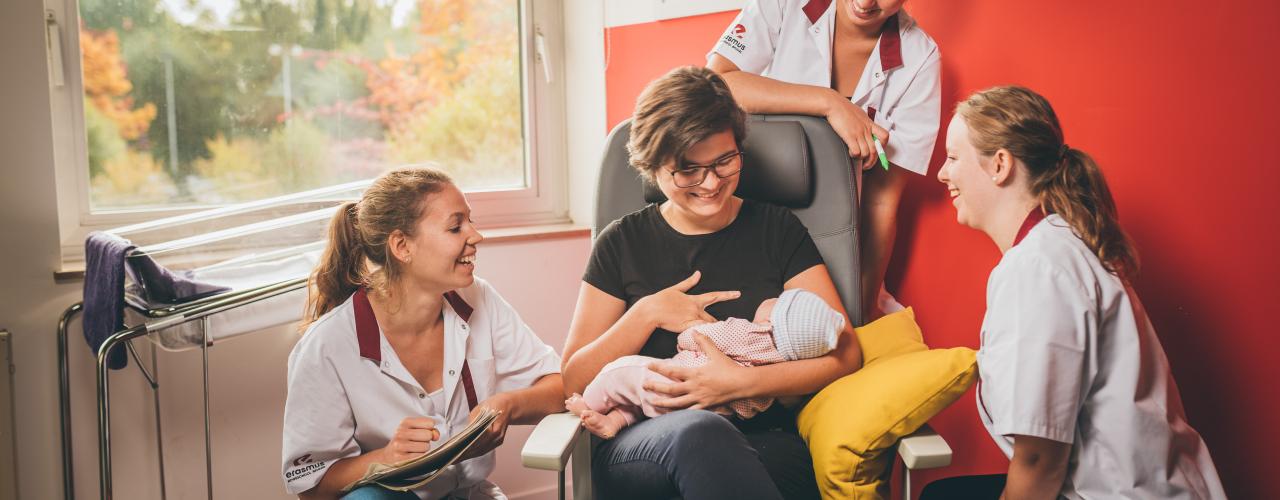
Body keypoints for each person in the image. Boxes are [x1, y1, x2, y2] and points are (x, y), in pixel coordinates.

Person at [561, 66, 862, 500]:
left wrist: (741, 384)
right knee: (700, 432)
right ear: (653, 166)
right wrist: (645, 315)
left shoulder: (776, 230)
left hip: (765, 441)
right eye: (688, 170)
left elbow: (845, 351)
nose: (711, 182)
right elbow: (574, 380)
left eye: (724, 161)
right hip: (641, 441)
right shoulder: (622, 243)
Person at [922, 86, 1225, 499]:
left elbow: (1039, 461)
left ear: (1000, 165)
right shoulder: (1054, 246)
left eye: (953, 157)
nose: (942, 172)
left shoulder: (1037, 268)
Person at [280, 167, 566, 500]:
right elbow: (312, 487)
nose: (476, 236)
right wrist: (383, 461)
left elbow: (560, 386)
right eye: (456, 226)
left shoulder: (480, 299)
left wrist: (509, 404)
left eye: (470, 222)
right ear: (402, 246)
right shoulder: (326, 347)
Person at [707, 0, 941, 319]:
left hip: (837, 250)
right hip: (746, 225)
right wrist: (829, 103)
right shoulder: (783, 5)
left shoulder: (920, 58)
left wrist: (862, 309)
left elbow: (881, 203)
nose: (866, 2)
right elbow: (718, 82)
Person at [566, 288, 844, 438]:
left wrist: (690, 329)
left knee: (620, 373)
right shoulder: (780, 364)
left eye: (778, 302)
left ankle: (589, 406)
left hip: (674, 383)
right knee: (638, 406)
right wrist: (647, 313)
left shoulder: (749, 333)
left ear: (774, 323)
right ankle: (615, 421)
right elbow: (749, 408)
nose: (772, 299)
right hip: (715, 416)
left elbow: (698, 338)